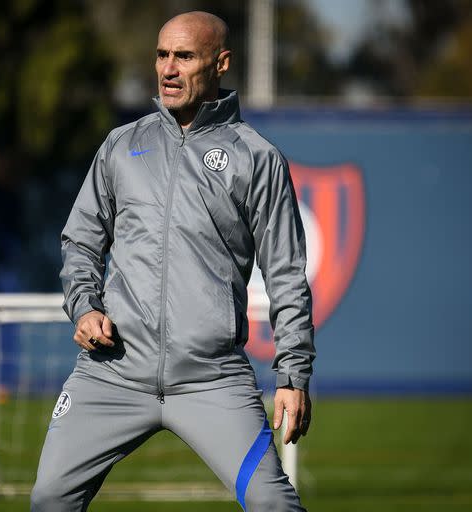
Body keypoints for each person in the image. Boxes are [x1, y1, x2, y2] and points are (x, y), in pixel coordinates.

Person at [31, 11, 315, 512]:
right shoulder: (122, 145)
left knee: (274, 504)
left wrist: (292, 376)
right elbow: (80, 241)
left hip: (212, 378)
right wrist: (83, 307)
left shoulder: (257, 159)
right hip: (112, 372)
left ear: (220, 63)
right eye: (162, 55)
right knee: (50, 499)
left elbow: (288, 276)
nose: (168, 68)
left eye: (184, 56)